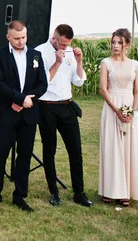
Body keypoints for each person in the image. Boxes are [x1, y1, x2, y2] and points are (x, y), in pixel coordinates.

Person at [0, 20, 48, 212]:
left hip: (28, 114)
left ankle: (20, 196)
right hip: (6, 112)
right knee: (0, 154)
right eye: (17, 38)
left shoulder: (36, 55)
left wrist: (27, 101)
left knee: (25, 155)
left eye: (23, 37)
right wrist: (19, 99)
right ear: (8, 37)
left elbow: (42, 84)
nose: (21, 41)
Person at [35, 24, 93, 207]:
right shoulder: (39, 52)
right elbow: (42, 82)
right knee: (49, 150)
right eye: (62, 44)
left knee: (75, 150)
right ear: (54, 37)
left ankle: (79, 192)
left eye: (68, 44)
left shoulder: (69, 53)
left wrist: (79, 61)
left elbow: (79, 82)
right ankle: (54, 192)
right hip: (46, 107)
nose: (64, 48)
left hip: (67, 106)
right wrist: (57, 61)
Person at [99, 28, 138, 206]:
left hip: (129, 107)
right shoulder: (106, 63)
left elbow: (137, 91)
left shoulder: (135, 65)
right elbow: (103, 89)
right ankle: (110, 190)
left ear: (127, 45)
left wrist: (132, 112)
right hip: (112, 107)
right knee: (112, 148)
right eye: (113, 42)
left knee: (128, 148)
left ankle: (126, 192)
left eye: (119, 42)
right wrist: (117, 110)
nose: (115, 46)